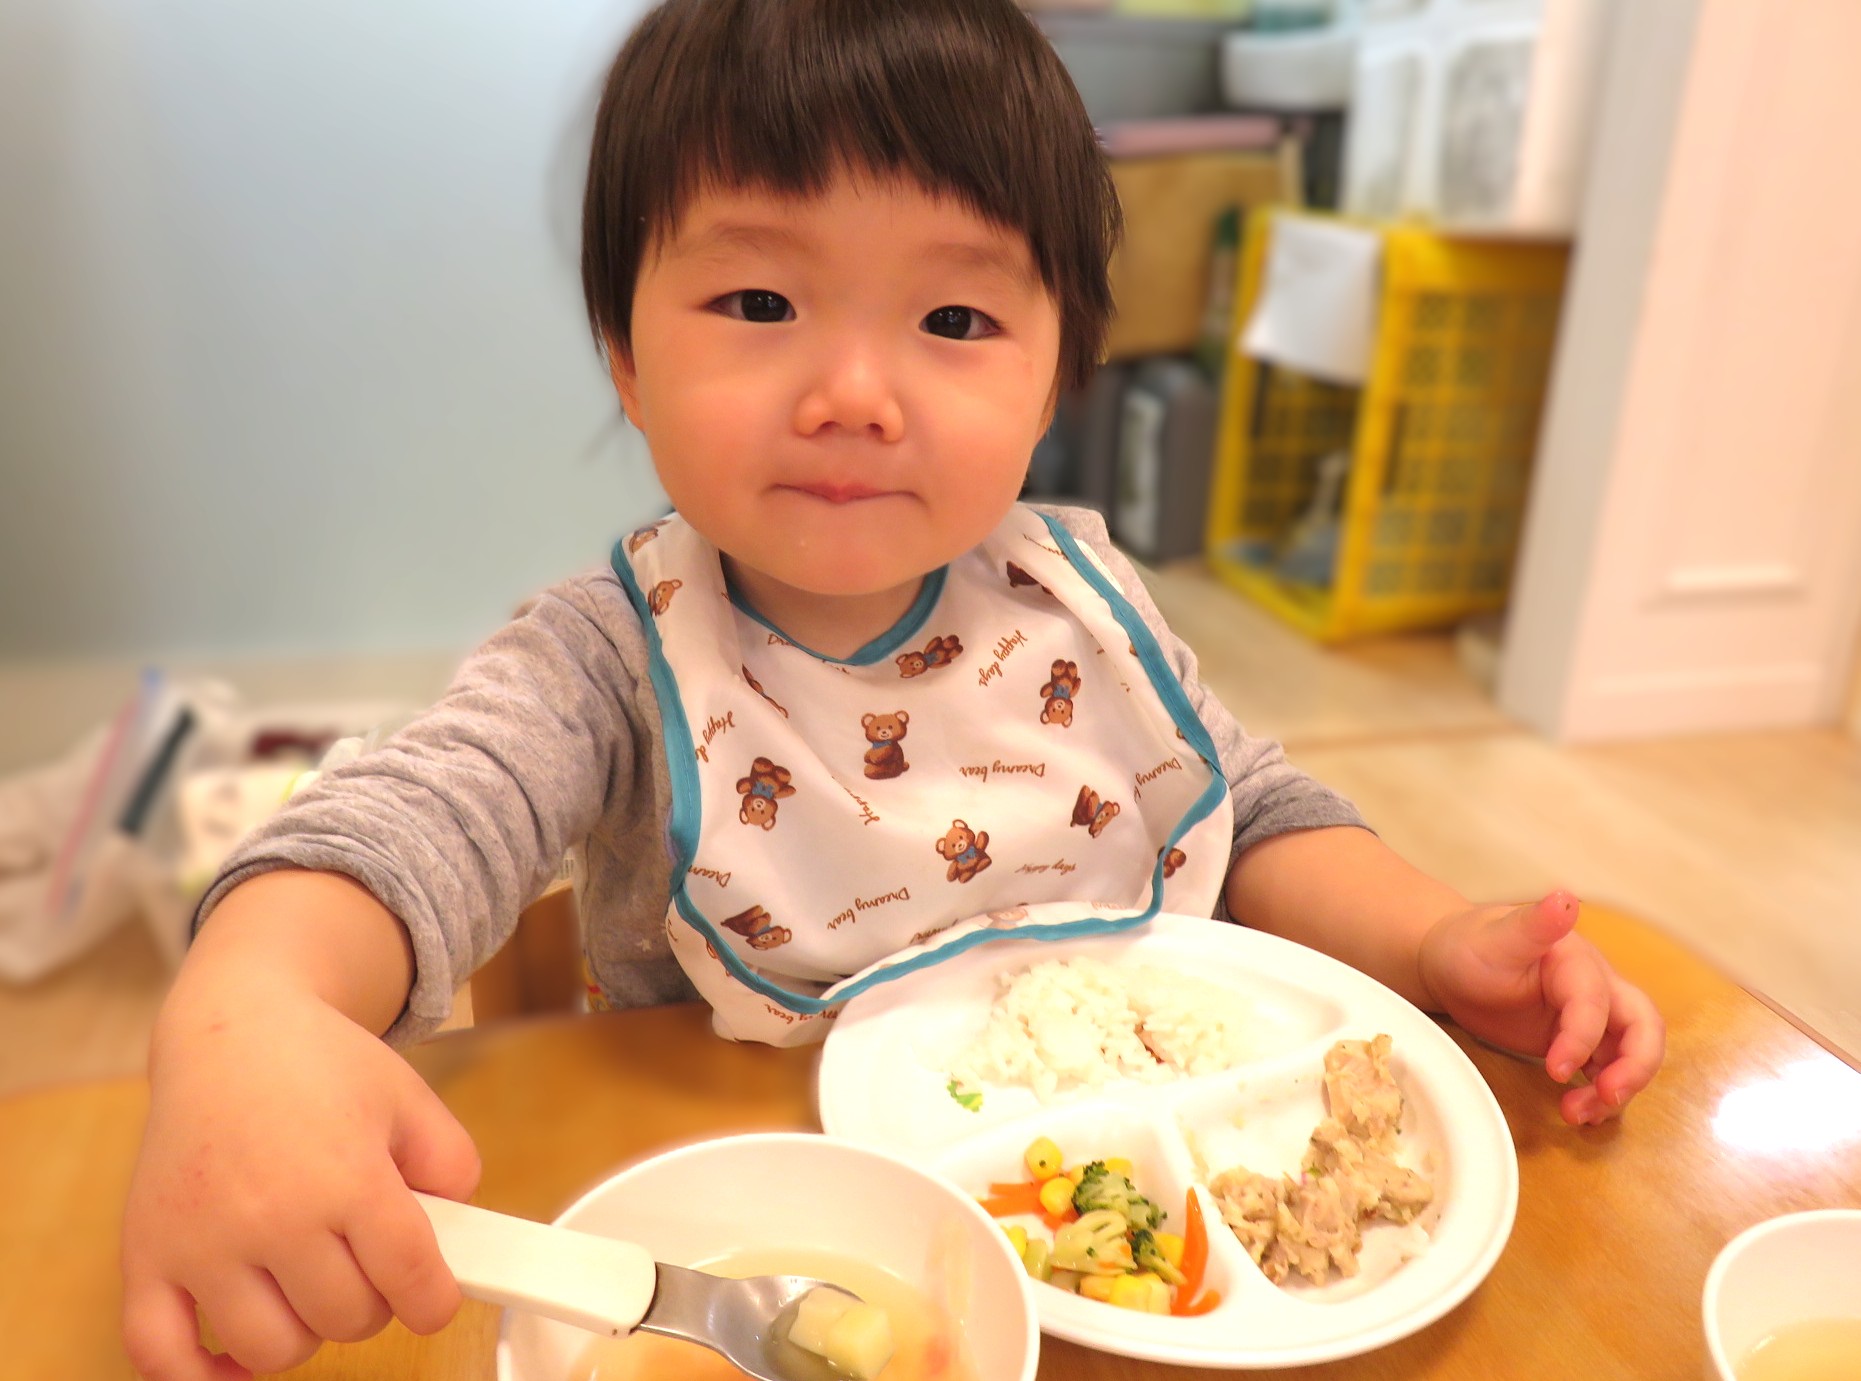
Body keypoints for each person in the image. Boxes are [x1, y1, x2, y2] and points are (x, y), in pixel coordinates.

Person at [119, 1, 1665, 1376]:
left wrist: (1433, 938)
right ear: (625, 356)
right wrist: (253, 1003)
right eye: (759, 303)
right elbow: (409, 825)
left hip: (1113, 1260)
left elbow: (1245, 811)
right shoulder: (608, 659)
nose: (853, 394)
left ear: (1053, 377)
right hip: (751, 1235)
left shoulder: (1075, 612)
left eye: (954, 320)